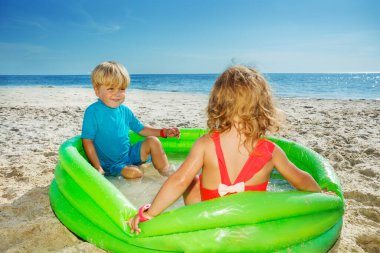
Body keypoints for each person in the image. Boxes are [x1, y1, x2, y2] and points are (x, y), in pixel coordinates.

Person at [128, 65, 321, 234]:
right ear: (264, 107)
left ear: (217, 104)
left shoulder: (206, 144)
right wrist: (320, 195)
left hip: (209, 220)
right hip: (248, 220)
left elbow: (178, 180)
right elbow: (301, 179)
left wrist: (150, 213)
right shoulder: (272, 151)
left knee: (191, 180)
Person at [81, 61, 180, 179]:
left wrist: (163, 132)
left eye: (121, 89)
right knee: (135, 173)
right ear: (97, 90)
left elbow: (141, 129)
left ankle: (168, 175)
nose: (117, 94)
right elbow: (87, 141)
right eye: (111, 88)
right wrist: (98, 167)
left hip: (128, 156)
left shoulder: (125, 111)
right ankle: (142, 168)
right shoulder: (93, 111)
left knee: (153, 141)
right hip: (111, 165)